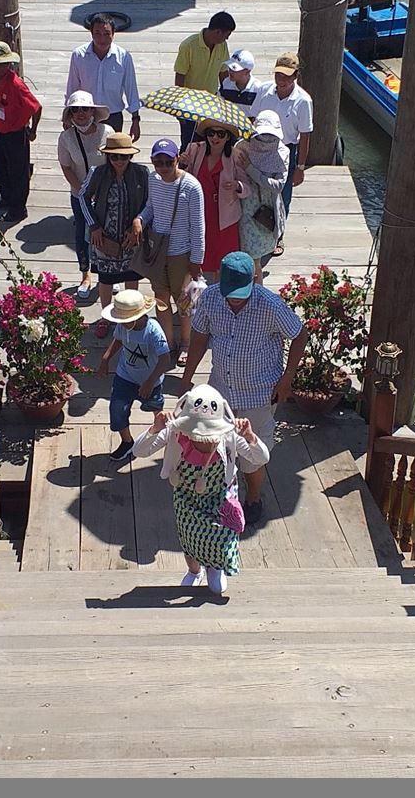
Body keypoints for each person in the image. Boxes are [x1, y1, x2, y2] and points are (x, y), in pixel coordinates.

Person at [181, 251, 306, 527]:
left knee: (252, 454)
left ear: (254, 280)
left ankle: (254, 497)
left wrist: (287, 378)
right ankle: (221, 493)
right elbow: (200, 337)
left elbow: (299, 335)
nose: (235, 299)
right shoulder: (210, 298)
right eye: (231, 293)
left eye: (241, 293)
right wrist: (186, 377)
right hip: (221, 392)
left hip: (259, 394)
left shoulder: (270, 305)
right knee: (215, 446)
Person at [132, 384, 269, 595]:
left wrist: (250, 437)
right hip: (186, 496)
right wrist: (154, 429)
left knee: (221, 536)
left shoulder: (229, 435)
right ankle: (194, 571)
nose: (201, 436)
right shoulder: (174, 432)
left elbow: (261, 458)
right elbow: (139, 451)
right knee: (189, 536)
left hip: (220, 495)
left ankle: (215, 567)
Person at [131, 139, 205, 366]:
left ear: (177, 160)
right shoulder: (153, 179)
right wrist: (139, 219)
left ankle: (186, 343)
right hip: (157, 251)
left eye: (168, 162)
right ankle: (168, 343)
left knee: (185, 302)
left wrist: (196, 260)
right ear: (152, 161)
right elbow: (151, 207)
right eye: (158, 162)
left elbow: (198, 227)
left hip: (181, 253)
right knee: (160, 299)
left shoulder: (192, 186)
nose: (163, 167)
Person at [78, 132, 149, 338]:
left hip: (131, 235)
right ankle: (106, 317)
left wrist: (139, 222)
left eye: (123, 156)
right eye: (114, 156)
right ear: (107, 156)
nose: (119, 160)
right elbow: (82, 197)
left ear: (130, 156)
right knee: (106, 279)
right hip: (104, 234)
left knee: (131, 276)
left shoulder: (141, 173)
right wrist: (93, 226)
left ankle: (132, 313)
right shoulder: (97, 172)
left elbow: (149, 202)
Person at [96, 288, 172, 463]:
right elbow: (118, 339)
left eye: (125, 320)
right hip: (125, 376)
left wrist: (150, 382)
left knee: (155, 408)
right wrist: (106, 359)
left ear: (139, 316)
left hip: (150, 380)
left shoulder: (153, 331)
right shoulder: (123, 325)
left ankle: (162, 433)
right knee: (117, 410)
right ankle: (127, 442)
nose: (122, 324)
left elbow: (165, 359)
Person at [252, 52, 313, 254]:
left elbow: (305, 135)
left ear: (296, 75)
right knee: (256, 188)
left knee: (283, 195)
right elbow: (252, 118)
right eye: (278, 74)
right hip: (260, 145)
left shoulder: (303, 101)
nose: (281, 79)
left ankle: (278, 235)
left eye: (286, 75)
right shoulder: (264, 90)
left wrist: (300, 167)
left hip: (286, 149)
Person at [57, 91, 112, 300]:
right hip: (79, 194)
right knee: (82, 234)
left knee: (108, 232)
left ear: (93, 111)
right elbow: (66, 167)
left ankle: (108, 274)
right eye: (75, 109)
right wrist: (83, 191)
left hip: (105, 195)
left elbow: (116, 161)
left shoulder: (108, 132)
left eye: (85, 108)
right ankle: (85, 276)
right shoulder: (66, 138)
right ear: (70, 114)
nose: (80, 113)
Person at [178, 118, 248, 277]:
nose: (215, 138)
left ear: (228, 137)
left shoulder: (236, 156)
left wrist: (237, 185)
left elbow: (247, 188)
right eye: (211, 133)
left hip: (225, 218)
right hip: (199, 212)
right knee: (200, 260)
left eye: (220, 134)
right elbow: (180, 180)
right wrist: (182, 165)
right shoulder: (193, 150)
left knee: (226, 264)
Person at [0, 41, 42, 225]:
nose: (1, 67)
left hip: (17, 134)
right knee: (1, 169)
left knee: (18, 173)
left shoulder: (16, 85)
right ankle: (7, 199)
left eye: (5, 63)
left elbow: (36, 108)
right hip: (0, 132)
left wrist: (33, 131)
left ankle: (19, 210)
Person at [66, 14, 141, 138]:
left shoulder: (124, 57)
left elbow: (131, 90)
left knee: (112, 150)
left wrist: (135, 120)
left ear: (113, 33)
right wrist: (68, 116)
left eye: (106, 34)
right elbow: (72, 87)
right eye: (97, 33)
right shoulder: (78, 55)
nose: (102, 39)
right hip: (85, 114)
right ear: (91, 33)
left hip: (113, 115)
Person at [231, 111, 288, 276]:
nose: (266, 139)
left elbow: (278, 185)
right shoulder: (242, 147)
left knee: (256, 258)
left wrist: (251, 169)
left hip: (267, 206)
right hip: (245, 204)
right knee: (246, 252)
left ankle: (254, 285)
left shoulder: (282, 152)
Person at [173, 11, 236, 148]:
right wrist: (179, 109)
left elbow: (223, 73)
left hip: (211, 103)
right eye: (227, 35)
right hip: (189, 105)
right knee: (189, 144)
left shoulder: (222, 46)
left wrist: (228, 99)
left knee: (209, 143)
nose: (227, 39)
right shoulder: (188, 46)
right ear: (218, 32)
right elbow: (180, 77)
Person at [219, 49, 263, 118]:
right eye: (229, 68)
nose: (230, 71)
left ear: (247, 72)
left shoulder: (258, 89)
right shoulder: (226, 83)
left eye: (234, 69)